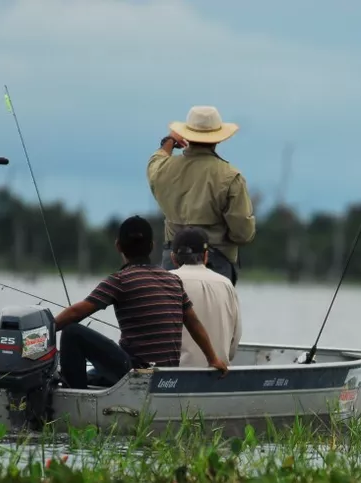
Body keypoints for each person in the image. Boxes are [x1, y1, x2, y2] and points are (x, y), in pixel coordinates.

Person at [51, 215, 228, 389]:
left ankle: (76, 398)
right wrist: (213, 358)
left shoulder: (120, 280)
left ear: (118, 246)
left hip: (136, 373)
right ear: (152, 246)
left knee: (72, 332)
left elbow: (76, 313)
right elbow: (194, 323)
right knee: (94, 376)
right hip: (167, 376)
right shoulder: (173, 280)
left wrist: (45, 330)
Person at [146, 105, 256, 286]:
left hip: (172, 264)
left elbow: (155, 162)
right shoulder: (230, 176)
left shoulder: (163, 170)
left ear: (187, 134)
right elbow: (243, 234)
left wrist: (169, 141)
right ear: (218, 139)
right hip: (215, 265)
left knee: (171, 314)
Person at [169, 227, 242, 367]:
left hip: (173, 378)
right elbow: (233, 345)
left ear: (173, 257)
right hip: (218, 375)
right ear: (206, 256)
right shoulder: (227, 284)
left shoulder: (166, 281)